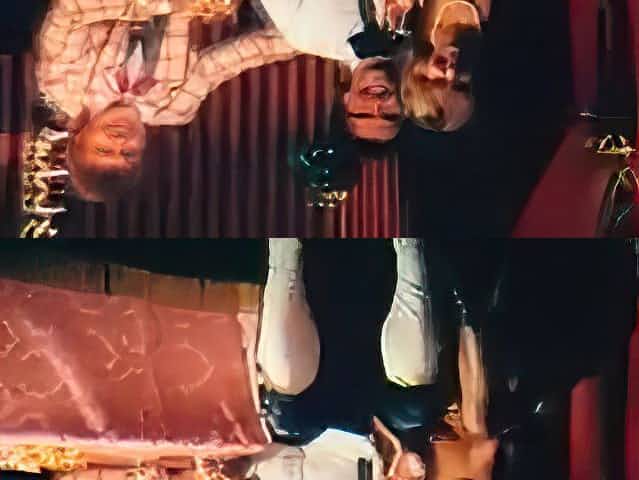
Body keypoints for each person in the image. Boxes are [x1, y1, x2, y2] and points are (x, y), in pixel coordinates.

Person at [36, 0, 299, 202]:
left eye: (103, 149)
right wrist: (306, 40)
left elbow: (70, 9)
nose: (119, 141)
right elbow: (227, 61)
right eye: (128, 153)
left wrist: (168, 4)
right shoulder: (174, 109)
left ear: (77, 136)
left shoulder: (60, 82)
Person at [257, 0, 415, 143]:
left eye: (363, 114)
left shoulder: (302, 34)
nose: (376, 105)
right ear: (404, 107)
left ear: (346, 101)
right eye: (389, 115)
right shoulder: (421, 27)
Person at [401, 0, 491, 131]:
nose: (451, 72)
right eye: (461, 86)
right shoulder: (495, 13)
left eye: (438, 81)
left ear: (418, 74)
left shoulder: (403, 13)